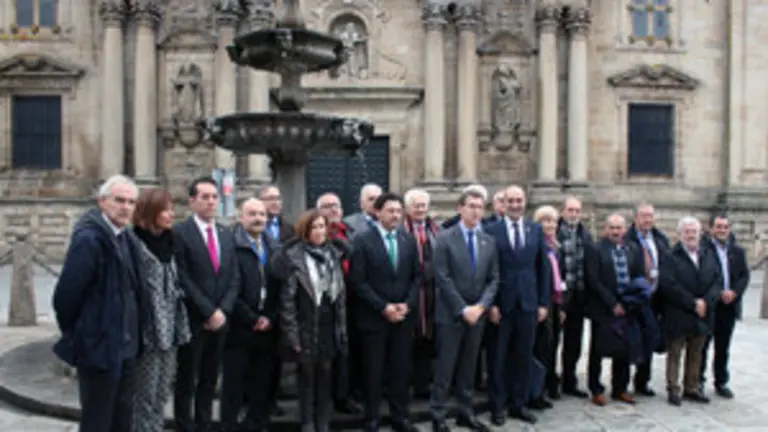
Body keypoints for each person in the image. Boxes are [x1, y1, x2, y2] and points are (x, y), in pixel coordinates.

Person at [52, 175, 143, 432]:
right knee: (98, 421)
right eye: (119, 200)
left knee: (122, 419)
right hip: (100, 348)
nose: (126, 207)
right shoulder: (89, 239)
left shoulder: (127, 238)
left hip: (126, 347)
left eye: (131, 202)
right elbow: (66, 297)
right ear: (102, 202)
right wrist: (86, 334)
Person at [173, 176, 240, 432]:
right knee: (186, 379)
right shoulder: (180, 233)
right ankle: (184, 425)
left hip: (221, 320)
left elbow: (234, 276)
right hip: (194, 319)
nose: (211, 202)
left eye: (214, 197)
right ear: (192, 201)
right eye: (205, 197)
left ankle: (204, 424)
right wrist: (208, 311)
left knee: (210, 379)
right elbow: (183, 277)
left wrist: (223, 310)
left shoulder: (226, 234)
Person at [351, 192, 421, 432]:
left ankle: (400, 417)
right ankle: (372, 418)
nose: (395, 215)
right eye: (390, 211)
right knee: (373, 371)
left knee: (400, 370)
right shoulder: (362, 240)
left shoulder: (408, 240)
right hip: (374, 318)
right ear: (378, 212)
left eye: (399, 211)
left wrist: (407, 304)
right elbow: (358, 281)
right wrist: (383, 307)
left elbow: (416, 277)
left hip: (402, 318)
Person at [430, 189, 498, 432]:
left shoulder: (488, 241)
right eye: (471, 206)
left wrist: (481, 306)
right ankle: (438, 414)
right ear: (460, 208)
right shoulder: (444, 238)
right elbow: (442, 276)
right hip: (451, 314)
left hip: (477, 315)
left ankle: (465, 412)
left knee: (469, 367)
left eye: (480, 207)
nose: (476, 211)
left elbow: (494, 278)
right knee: (445, 368)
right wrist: (462, 308)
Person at [277, 209, 349, 432]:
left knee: (326, 374)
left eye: (322, 227)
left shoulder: (333, 254)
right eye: (314, 227)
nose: (319, 231)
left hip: (328, 322)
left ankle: (323, 421)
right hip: (305, 323)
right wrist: (292, 334)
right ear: (305, 230)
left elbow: (340, 297)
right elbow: (288, 301)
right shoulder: (295, 256)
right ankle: (307, 422)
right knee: (307, 376)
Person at [484, 185, 550, 426]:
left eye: (518, 200)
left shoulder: (535, 229)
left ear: (525, 202)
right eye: (510, 200)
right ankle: (497, 406)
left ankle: (518, 404)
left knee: (523, 356)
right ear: (503, 203)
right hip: (501, 305)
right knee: (498, 358)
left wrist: (543, 303)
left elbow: (543, 268)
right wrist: (491, 304)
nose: (514, 205)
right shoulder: (491, 230)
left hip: (528, 304)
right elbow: (487, 270)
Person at [130, 187, 191, 432]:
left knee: (162, 391)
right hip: (148, 330)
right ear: (150, 212)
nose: (171, 214)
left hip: (171, 327)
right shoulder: (134, 244)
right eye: (166, 210)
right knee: (144, 394)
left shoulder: (172, 241)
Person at [220, 198, 280, 431]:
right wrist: (251, 318)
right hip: (239, 327)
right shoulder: (231, 245)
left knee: (261, 384)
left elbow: (279, 287)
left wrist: (270, 317)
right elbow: (228, 287)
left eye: (262, 214)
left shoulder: (273, 246)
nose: (258, 219)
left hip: (267, 327)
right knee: (233, 386)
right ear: (241, 217)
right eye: (252, 214)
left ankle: (256, 425)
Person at [659, 216, 720, 406]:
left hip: (702, 313)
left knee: (696, 353)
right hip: (679, 312)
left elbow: (717, 281)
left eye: (694, 231)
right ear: (680, 234)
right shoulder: (671, 256)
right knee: (675, 353)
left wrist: (706, 302)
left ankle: (691, 387)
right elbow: (668, 285)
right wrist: (692, 302)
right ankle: (673, 388)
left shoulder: (708, 254)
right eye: (687, 231)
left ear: (700, 234)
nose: (691, 235)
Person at [586, 213, 645, 407]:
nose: (615, 231)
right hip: (603, 307)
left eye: (619, 228)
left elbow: (638, 276)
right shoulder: (596, 249)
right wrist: (612, 303)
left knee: (624, 349)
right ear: (605, 229)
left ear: (625, 229)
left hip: (627, 306)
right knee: (598, 349)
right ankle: (596, 388)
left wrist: (629, 302)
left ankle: (620, 388)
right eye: (612, 227)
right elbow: (594, 280)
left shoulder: (633, 249)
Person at [316, 192, 363, 414]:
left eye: (336, 206)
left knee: (347, 352)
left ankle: (344, 396)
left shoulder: (351, 233)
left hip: (352, 300)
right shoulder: (314, 234)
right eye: (327, 206)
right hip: (324, 303)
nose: (333, 210)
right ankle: (322, 399)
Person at [700, 214, 750, 398]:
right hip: (711, 303)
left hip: (729, 305)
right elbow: (703, 276)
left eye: (725, 227)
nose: (722, 230)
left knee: (723, 346)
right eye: (718, 227)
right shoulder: (703, 249)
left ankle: (721, 381)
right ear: (711, 228)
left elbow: (744, 275)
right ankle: (698, 380)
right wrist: (718, 292)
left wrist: (735, 292)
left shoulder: (737, 251)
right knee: (703, 345)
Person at [556, 197, 594, 399]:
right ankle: (549, 382)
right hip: (558, 297)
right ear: (563, 211)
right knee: (552, 342)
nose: (574, 214)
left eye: (577, 210)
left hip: (578, 296)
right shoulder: (555, 231)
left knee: (574, 342)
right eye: (570, 210)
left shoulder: (585, 233)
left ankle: (569, 380)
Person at [530, 205, 566, 409]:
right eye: (545, 221)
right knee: (540, 348)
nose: (550, 225)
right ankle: (535, 392)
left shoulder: (555, 247)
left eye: (552, 221)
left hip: (555, 303)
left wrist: (561, 306)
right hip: (541, 303)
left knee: (551, 347)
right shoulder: (537, 246)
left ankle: (546, 386)